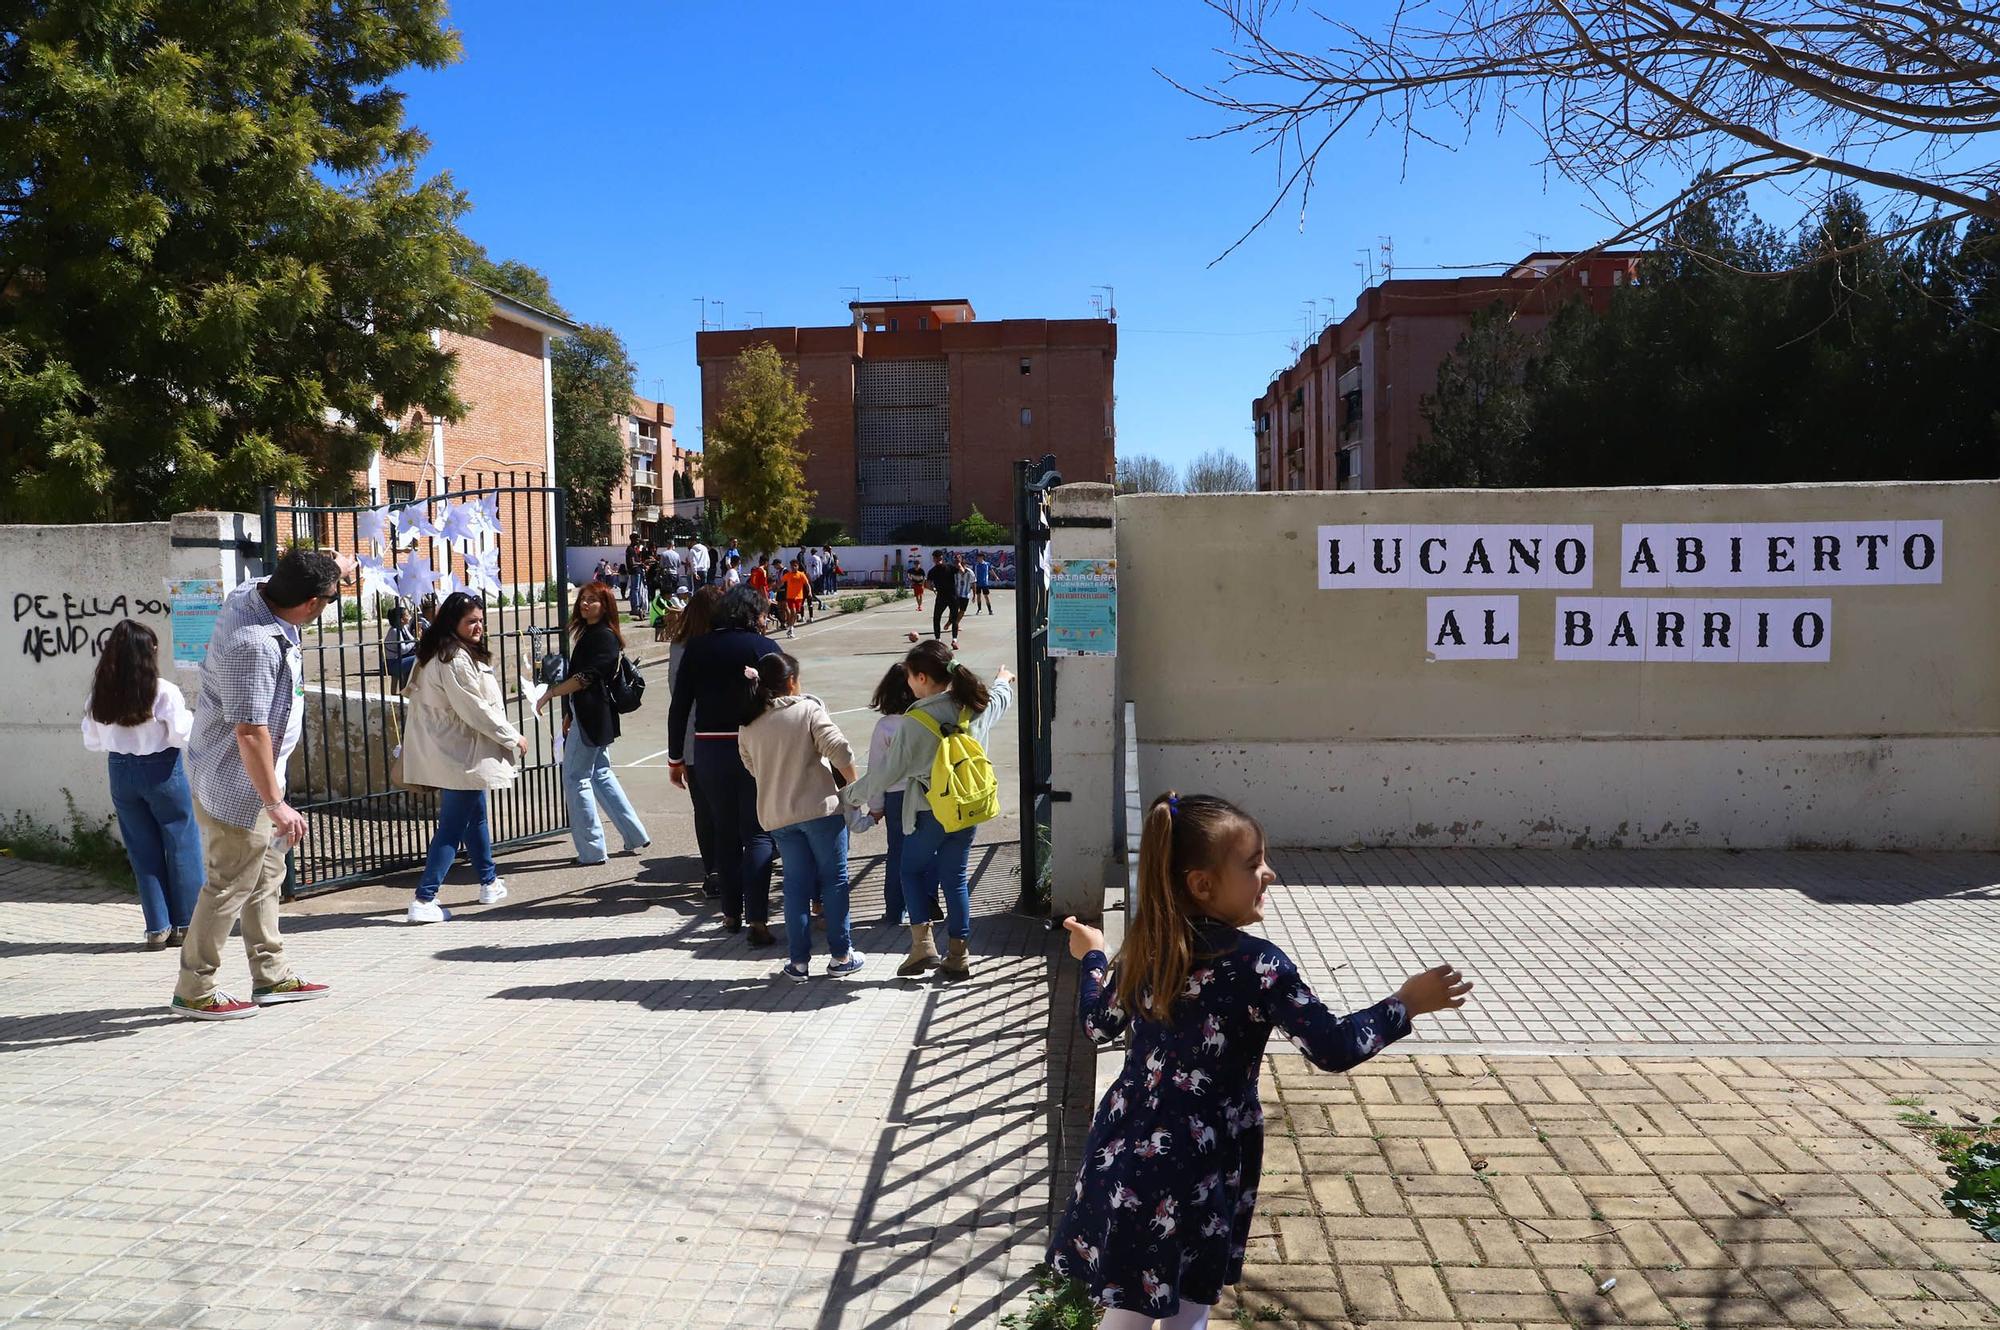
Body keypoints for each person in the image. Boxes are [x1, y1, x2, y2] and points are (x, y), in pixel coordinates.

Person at [1049, 794, 1473, 1328]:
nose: (1268, 874)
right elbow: (1333, 1048)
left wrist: (1092, 954)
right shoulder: (1259, 966)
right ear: (1202, 884)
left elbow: (1097, 1025)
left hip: (1129, 1148)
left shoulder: (1146, 948)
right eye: (1253, 865)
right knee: (1187, 1303)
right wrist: (1406, 1003)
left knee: (1127, 1305)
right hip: (1200, 1161)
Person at [171, 549, 341, 1020]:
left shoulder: (252, 592)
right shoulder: (254, 645)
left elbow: (294, 574)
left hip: (249, 782)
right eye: (329, 599)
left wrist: (338, 567)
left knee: (266, 877)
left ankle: (271, 975)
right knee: (228, 886)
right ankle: (195, 988)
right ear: (311, 604)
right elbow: (249, 732)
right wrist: (276, 804)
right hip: (239, 789)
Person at [842, 640, 1014, 980]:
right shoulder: (974, 706)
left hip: (929, 812)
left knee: (910, 870)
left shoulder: (914, 721)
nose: (907, 682)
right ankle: (958, 954)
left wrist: (849, 794)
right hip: (968, 809)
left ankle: (923, 947)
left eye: (909, 676)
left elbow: (885, 773)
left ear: (921, 678)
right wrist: (1003, 680)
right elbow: (1000, 698)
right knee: (956, 878)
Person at [399, 592, 527, 923]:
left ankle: (488, 881)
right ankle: (425, 898)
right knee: (453, 826)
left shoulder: (435, 652)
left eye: (481, 620)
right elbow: (474, 708)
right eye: (471, 621)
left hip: (450, 750)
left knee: (476, 816)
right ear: (452, 622)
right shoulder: (453, 658)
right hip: (460, 752)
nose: (478, 627)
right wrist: (511, 736)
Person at [738, 651, 865, 981]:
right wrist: (853, 785)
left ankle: (798, 962)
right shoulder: (808, 710)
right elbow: (841, 749)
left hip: (778, 816)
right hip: (820, 810)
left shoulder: (749, 724)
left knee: (795, 886)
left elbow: (751, 766)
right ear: (792, 682)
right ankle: (840, 955)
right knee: (834, 881)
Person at [667, 586, 782, 945]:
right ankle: (759, 920)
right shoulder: (763, 647)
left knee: (725, 832)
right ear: (751, 614)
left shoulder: (698, 647)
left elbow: (680, 706)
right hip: (755, 746)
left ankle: (731, 913)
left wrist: (675, 757)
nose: (765, 620)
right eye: (763, 613)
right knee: (758, 832)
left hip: (710, 749)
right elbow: (786, 699)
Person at [81, 619, 201, 950]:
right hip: (162, 768)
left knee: (141, 849)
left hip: (120, 770)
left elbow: (92, 741)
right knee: (182, 842)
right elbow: (181, 734)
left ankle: (157, 928)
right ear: (147, 653)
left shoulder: (99, 694)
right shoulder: (163, 690)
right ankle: (187, 923)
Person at [535, 582, 650, 865]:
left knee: (576, 778)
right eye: (583, 599)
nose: (585, 604)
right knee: (600, 774)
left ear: (605, 605)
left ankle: (591, 850)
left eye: (592, 600)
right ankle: (634, 834)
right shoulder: (594, 634)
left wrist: (551, 693)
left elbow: (585, 678)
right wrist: (569, 712)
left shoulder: (603, 637)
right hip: (591, 715)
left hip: (593, 717)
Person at [669, 585, 725, 899]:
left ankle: (713, 869)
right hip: (727, 735)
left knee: (703, 808)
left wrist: (676, 753)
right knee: (734, 804)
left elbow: (676, 696)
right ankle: (734, 863)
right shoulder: (726, 642)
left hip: (693, 737)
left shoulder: (680, 646)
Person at [863, 662, 929, 929]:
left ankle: (894, 911)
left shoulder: (885, 727)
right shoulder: (926, 722)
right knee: (929, 851)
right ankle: (926, 906)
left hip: (896, 797)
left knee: (898, 854)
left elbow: (877, 770)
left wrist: (875, 805)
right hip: (927, 794)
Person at [383, 603, 417, 689]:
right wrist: (415, 641)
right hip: (392, 663)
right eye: (407, 615)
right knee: (418, 658)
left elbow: (412, 639)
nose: (409, 616)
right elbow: (404, 649)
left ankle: (406, 687)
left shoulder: (403, 628)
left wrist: (415, 640)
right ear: (401, 619)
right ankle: (410, 687)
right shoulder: (395, 631)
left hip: (399, 659)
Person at [926, 550, 954, 640]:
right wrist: (933, 588)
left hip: (952, 596)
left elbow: (961, 573)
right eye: (937, 558)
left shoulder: (950, 568)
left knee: (952, 617)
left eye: (940, 558)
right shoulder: (932, 571)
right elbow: (928, 584)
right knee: (936, 618)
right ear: (934, 559)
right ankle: (938, 639)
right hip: (941, 597)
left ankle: (954, 639)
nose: (938, 560)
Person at [782, 558, 812, 636]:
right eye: (792, 566)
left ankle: (791, 627)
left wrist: (810, 591)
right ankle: (791, 629)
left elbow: (807, 584)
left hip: (799, 597)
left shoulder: (801, 574)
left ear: (798, 566)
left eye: (795, 566)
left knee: (795, 614)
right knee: (793, 611)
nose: (793, 567)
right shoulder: (788, 575)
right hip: (790, 597)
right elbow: (780, 582)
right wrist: (775, 587)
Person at [950, 553, 973, 642]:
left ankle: (955, 622)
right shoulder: (952, 570)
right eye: (955, 558)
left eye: (958, 558)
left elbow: (973, 582)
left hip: (965, 594)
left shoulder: (968, 571)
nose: (957, 559)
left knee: (962, 611)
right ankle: (952, 623)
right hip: (955, 594)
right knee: (954, 610)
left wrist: (974, 594)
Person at [973, 551, 994, 616]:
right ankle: (979, 609)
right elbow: (973, 573)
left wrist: (996, 576)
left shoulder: (987, 564)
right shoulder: (975, 565)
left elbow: (991, 571)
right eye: (977, 557)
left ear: (982, 557)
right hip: (977, 583)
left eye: (979, 557)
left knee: (986, 596)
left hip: (985, 583)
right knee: (978, 596)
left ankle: (990, 610)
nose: (978, 558)